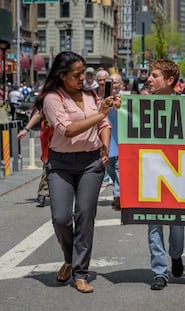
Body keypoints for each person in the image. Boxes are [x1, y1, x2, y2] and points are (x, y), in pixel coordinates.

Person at [34, 51, 120, 293]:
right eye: (77, 74)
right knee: (61, 218)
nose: (83, 77)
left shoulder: (91, 95)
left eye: (84, 72)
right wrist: (101, 113)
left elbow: (104, 124)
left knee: (85, 215)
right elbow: (67, 130)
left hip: (90, 163)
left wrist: (104, 146)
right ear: (62, 76)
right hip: (60, 164)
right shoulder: (52, 98)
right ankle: (70, 259)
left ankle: (80, 272)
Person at [145, 59, 185, 291]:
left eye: (155, 75)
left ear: (170, 80)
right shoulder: (141, 106)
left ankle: (176, 254)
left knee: (177, 224)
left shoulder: (184, 104)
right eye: (150, 75)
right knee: (154, 225)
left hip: (179, 175)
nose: (149, 79)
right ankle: (159, 271)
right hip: (152, 173)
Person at [17, 109, 49, 207]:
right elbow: (39, 112)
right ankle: (43, 193)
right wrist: (26, 129)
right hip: (51, 130)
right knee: (49, 164)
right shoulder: (50, 96)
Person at [107, 72, 122, 210]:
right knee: (110, 168)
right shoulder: (104, 99)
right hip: (107, 140)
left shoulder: (126, 99)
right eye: (111, 81)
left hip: (121, 139)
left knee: (118, 168)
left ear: (121, 84)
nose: (114, 84)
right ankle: (118, 191)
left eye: (116, 82)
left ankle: (118, 195)